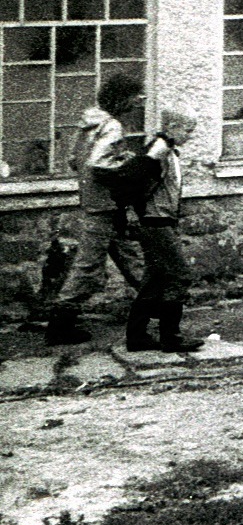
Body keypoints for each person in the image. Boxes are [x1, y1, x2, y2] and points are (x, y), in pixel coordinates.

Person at [44, 73, 147, 345]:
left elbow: (73, 161)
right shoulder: (112, 127)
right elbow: (99, 165)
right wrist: (130, 166)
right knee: (88, 266)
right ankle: (59, 325)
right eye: (136, 95)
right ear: (122, 97)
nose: (140, 100)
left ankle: (158, 304)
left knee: (130, 257)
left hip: (95, 201)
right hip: (105, 206)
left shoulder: (89, 125)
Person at [124, 110, 203, 353]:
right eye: (187, 130)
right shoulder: (159, 150)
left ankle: (136, 336)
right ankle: (171, 336)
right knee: (180, 274)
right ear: (172, 126)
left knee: (154, 278)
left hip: (158, 219)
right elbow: (140, 182)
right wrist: (139, 211)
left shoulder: (166, 150)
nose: (190, 136)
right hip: (155, 220)